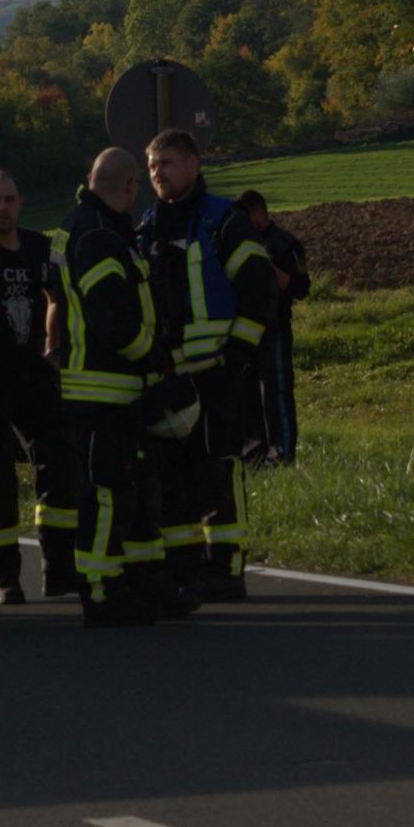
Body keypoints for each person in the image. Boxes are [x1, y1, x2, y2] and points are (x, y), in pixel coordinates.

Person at [140, 127, 280, 601]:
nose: (159, 173)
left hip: (219, 372)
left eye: (169, 163)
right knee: (173, 476)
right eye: (153, 166)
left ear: (195, 165)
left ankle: (226, 567)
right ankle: (183, 567)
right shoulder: (147, 229)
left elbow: (261, 291)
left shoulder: (224, 220)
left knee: (218, 468)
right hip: (170, 377)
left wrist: (238, 355)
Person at [57, 146, 171, 627]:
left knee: (133, 491)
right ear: (128, 187)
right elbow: (113, 322)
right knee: (106, 496)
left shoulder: (91, 224)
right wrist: (155, 357)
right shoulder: (101, 235)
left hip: (109, 389)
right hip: (104, 390)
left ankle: (142, 586)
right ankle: (101, 593)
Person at [0, 167, 73, 606]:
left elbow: (59, 296)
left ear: (21, 203)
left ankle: (60, 569)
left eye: (9, 200)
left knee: (61, 460)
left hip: (34, 376)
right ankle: (2, 576)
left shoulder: (39, 248)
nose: (2, 208)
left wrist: (55, 347)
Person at [229, 188, 311, 462]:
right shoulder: (237, 242)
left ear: (259, 213)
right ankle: (254, 453)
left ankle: (283, 454)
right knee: (246, 394)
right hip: (245, 329)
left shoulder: (284, 243)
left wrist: (266, 267)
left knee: (276, 393)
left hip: (274, 327)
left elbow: (301, 288)